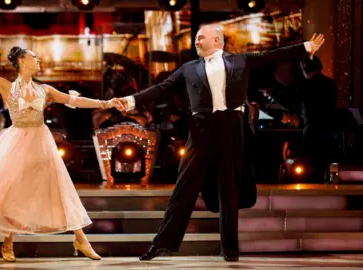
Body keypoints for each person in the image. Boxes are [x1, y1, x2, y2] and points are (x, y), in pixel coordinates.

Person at [116, 25, 325, 262]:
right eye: (196, 38)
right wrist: (131, 100)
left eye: (200, 38)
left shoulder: (240, 60)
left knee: (229, 188)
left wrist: (306, 47)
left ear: (217, 41)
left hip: (231, 126)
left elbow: (272, 55)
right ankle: (164, 243)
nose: (196, 42)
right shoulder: (189, 68)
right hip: (201, 127)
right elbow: (162, 88)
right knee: (184, 187)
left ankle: (230, 249)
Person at [0, 46, 123, 262]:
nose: (38, 60)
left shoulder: (44, 90)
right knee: (13, 189)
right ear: (21, 61)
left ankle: (81, 240)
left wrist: (106, 103)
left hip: (41, 142)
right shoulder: (5, 86)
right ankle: (8, 240)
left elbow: (73, 101)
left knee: (58, 188)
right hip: (17, 141)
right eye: (33, 57)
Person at [300, 55, 337, 181]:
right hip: (328, 129)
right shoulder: (330, 84)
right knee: (325, 166)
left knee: (311, 168)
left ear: (305, 69)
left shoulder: (307, 85)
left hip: (312, 131)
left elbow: (298, 106)